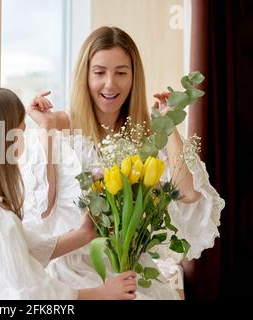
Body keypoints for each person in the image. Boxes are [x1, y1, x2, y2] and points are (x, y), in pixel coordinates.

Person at [23, 26, 225, 299]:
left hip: (130, 271)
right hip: (75, 272)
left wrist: (167, 125)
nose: (110, 84)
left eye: (121, 73)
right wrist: (46, 129)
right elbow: (42, 209)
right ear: (85, 76)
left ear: (133, 77)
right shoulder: (59, 125)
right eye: (99, 73)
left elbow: (187, 194)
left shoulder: (146, 133)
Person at [0, 85, 137, 300]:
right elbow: (31, 296)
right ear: (2, 143)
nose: (24, 140)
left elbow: (28, 249)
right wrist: (101, 293)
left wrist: (84, 232)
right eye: (20, 131)